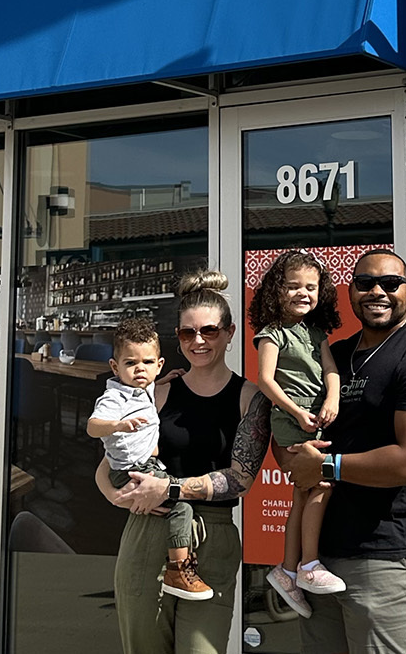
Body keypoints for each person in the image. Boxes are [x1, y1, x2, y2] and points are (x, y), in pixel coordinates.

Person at [282, 248, 406, 654]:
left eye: (390, 284)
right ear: (351, 292)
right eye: (365, 283)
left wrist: (325, 465)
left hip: (383, 558)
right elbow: (287, 409)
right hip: (318, 560)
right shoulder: (335, 355)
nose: (377, 291)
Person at [96, 270, 272, 654]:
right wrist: (113, 495)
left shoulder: (250, 398)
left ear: (229, 333)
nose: (198, 341)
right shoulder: (156, 393)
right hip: (147, 531)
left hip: (213, 534)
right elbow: (111, 460)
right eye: (186, 333)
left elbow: (241, 479)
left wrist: (170, 487)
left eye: (209, 331)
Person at [87, 316, 213, 601]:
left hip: (145, 466)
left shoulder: (143, 389)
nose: (139, 369)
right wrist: (116, 426)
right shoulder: (114, 399)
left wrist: (165, 380)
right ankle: (178, 570)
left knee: (168, 504)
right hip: (132, 470)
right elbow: (92, 427)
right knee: (181, 506)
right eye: (130, 363)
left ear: (159, 365)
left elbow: (149, 386)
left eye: (147, 363)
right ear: (115, 367)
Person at [249, 249, 344, 617]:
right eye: (293, 286)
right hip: (292, 424)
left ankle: (288, 571)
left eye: (311, 286)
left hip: (316, 419)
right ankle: (308, 565)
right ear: (277, 290)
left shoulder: (316, 333)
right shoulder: (273, 334)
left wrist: (332, 398)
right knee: (320, 483)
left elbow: (331, 370)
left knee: (303, 494)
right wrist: (297, 412)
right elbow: (266, 380)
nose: (303, 293)